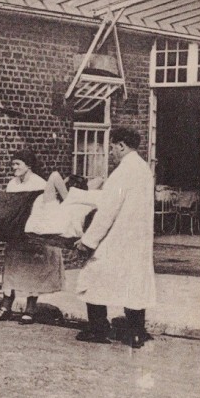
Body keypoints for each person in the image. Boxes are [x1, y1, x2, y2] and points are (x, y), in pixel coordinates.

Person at [74, 127, 156, 348]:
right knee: (134, 283)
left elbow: (107, 212)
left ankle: (98, 328)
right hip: (138, 238)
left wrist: (88, 241)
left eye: (111, 147)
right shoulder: (144, 170)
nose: (111, 153)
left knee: (93, 276)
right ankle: (137, 332)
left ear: (121, 145)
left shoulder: (121, 173)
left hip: (117, 237)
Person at [0, 150, 64, 324]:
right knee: (11, 269)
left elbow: (44, 209)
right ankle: (5, 306)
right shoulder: (12, 183)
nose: (14, 167)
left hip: (32, 232)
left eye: (18, 163)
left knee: (33, 270)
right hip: (16, 233)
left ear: (28, 166)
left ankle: (30, 308)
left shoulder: (40, 184)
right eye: (13, 163)